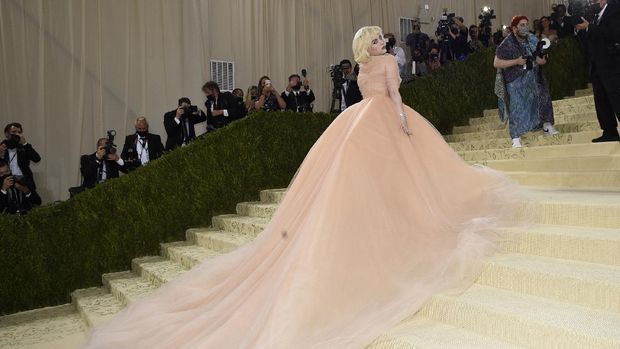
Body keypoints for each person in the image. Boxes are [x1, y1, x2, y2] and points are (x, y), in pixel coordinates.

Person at [82, 26, 521, 349]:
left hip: (357, 123)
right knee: (394, 174)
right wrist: (403, 119)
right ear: (367, 46)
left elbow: (373, 95)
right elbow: (394, 97)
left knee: (375, 176)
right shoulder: (380, 64)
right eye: (374, 41)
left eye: (379, 41)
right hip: (380, 120)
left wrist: (397, 115)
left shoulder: (368, 66)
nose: (380, 44)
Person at [494, 16, 558, 148]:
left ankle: (547, 125)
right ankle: (516, 138)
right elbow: (496, 63)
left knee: (543, 98)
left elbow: (541, 60)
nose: (525, 27)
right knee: (517, 107)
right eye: (522, 25)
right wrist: (516, 61)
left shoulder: (532, 38)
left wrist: (542, 58)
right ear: (514, 28)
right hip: (515, 80)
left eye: (526, 24)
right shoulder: (506, 43)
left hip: (534, 76)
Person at [576, 0, 620, 142]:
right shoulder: (596, 16)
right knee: (601, 100)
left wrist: (590, 28)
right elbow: (592, 39)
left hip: (611, 63)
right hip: (597, 65)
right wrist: (583, 29)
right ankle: (609, 131)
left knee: (616, 96)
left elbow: (613, 33)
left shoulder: (614, 8)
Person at [0, 123, 41, 190]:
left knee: (32, 199)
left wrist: (25, 143)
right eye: (14, 132)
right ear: (7, 134)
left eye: (19, 132)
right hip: (7, 181)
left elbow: (37, 159)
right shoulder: (2, 147)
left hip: (24, 181)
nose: (17, 134)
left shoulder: (25, 147)